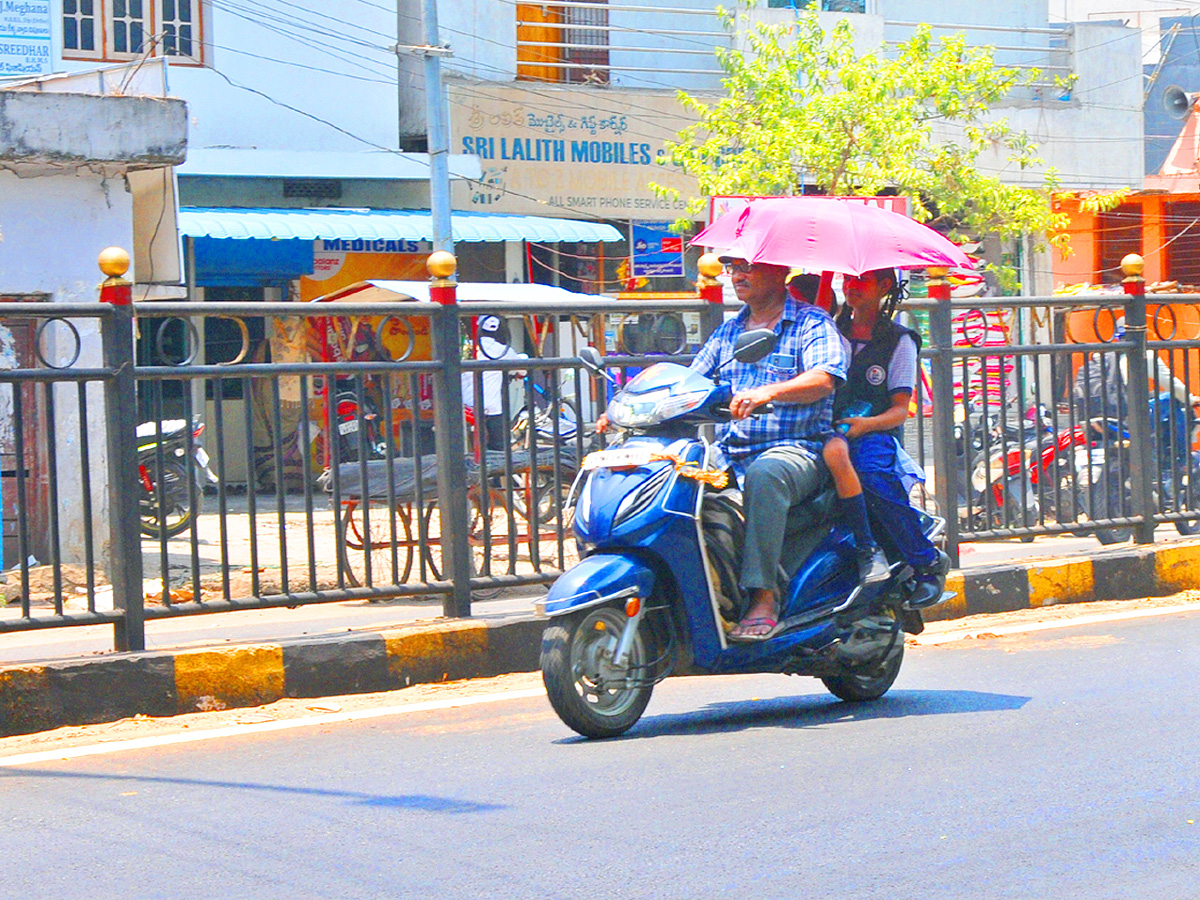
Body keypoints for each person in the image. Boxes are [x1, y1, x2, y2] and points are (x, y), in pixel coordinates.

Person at [687, 257, 849, 641]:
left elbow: (825, 377)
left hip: (797, 450)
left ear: (779, 272)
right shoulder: (729, 333)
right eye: (732, 268)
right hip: (730, 452)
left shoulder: (812, 323)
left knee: (766, 473)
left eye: (748, 267)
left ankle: (764, 595)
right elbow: (691, 380)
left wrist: (769, 391)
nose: (737, 276)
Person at [832, 268, 942, 606]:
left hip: (872, 434)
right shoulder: (830, 331)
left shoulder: (900, 341)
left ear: (884, 286)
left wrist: (865, 425)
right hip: (825, 428)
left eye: (860, 280)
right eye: (847, 280)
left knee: (870, 474)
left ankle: (926, 562)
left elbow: (899, 409)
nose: (851, 287)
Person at [461, 315, 528, 452]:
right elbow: (522, 369)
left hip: (463, 404)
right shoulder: (501, 350)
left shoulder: (466, 348)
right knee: (499, 446)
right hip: (490, 408)